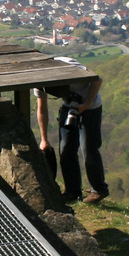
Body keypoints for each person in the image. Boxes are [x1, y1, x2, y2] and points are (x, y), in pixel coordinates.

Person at [37, 73, 108, 203]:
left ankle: (99, 189)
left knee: (89, 149)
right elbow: (42, 110)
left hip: (91, 107)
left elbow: (97, 80)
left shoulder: (68, 66)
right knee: (65, 150)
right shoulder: (38, 81)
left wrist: (85, 105)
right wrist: (44, 140)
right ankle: (72, 192)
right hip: (69, 107)